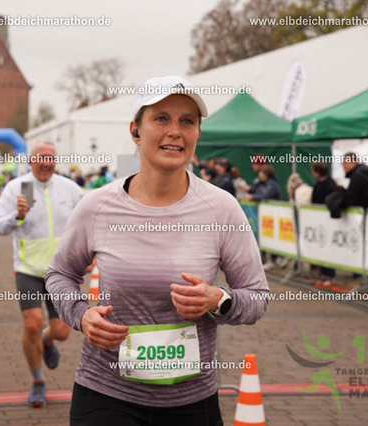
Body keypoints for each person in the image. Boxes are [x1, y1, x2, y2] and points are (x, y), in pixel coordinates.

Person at [45, 76, 269, 425]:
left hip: (191, 401)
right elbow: (59, 273)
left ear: (198, 134)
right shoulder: (97, 206)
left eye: (187, 121)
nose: (175, 131)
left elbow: (257, 296)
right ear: (135, 131)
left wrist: (218, 300)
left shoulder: (221, 208)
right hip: (107, 394)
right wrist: (81, 316)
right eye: (161, 118)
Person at [0, 140, 84, 408]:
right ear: (31, 161)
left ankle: (47, 340)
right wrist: (17, 215)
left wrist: (88, 255)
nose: (46, 163)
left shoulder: (70, 188)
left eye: (50, 158)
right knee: (32, 324)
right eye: (41, 158)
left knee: (62, 332)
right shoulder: (16, 188)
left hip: (62, 271)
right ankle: (37, 381)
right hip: (28, 269)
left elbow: (87, 222)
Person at [311, 162, 339, 286]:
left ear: (317, 172)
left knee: (328, 248)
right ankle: (323, 274)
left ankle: (330, 275)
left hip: (328, 222)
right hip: (319, 223)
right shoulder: (318, 184)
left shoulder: (329, 184)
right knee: (320, 248)